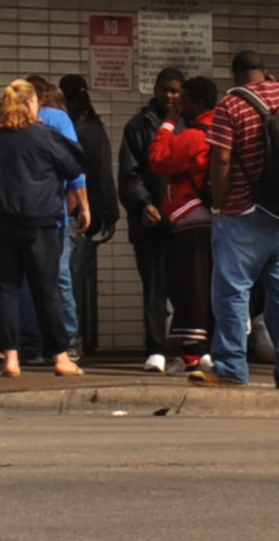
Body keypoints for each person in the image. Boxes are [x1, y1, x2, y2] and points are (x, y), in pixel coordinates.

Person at [197, 52, 279, 390]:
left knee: (233, 290)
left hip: (243, 213)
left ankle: (230, 367)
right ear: (264, 72)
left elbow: (221, 159)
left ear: (235, 75)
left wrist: (218, 204)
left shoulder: (231, 104)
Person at [0, 80, 85, 379]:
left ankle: (11, 359)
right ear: (30, 104)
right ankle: (61, 358)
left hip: (0, 222)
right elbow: (75, 166)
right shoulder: (44, 135)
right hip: (40, 223)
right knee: (46, 290)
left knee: (5, 290)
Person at [146, 75, 218, 369]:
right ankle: (216, 346)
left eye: (185, 100)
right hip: (222, 222)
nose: (179, 105)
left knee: (190, 288)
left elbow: (159, 160)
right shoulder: (223, 129)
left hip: (192, 221)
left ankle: (192, 351)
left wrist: (166, 125)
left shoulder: (194, 136)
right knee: (214, 286)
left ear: (198, 103)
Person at [118, 69, 184, 371]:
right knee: (155, 287)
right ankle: (156, 347)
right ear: (155, 90)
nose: (169, 96)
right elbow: (129, 175)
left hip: (184, 218)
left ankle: (192, 347)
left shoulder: (190, 123)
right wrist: (143, 204)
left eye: (175, 91)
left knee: (188, 287)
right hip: (151, 220)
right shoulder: (138, 126)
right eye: (164, 90)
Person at [26, 72, 89, 358]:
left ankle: (30, 342)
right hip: (55, 213)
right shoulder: (57, 118)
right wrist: (83, 204)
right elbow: (73, 165)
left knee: (25, 279)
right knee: (59, 277)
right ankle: (67, 340)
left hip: (19, 215)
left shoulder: (8, 123)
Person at [60, 76, 119, 357]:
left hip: (71, 211)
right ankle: (78, 338)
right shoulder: (96, 128)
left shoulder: (69, 128)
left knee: (66, 278)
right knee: (76, 277)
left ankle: (70, 339)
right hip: (92, 213)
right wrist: (110, 214)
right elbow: (105, 174)